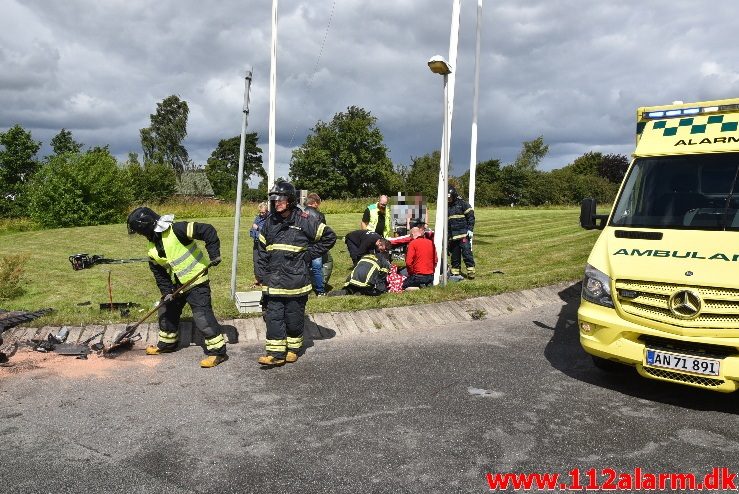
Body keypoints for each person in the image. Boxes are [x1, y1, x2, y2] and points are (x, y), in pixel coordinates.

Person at [126, 206, 227, 368]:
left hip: (197, 281)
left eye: (139, 231)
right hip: (176, 286)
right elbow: (159, 273)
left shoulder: (178, 229)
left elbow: (208, 230)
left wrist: (214, 254)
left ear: (144, 226)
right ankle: (168, 344)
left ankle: (218, 352)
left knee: (202, 317)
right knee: (166, 310)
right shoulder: (152, 248)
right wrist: (167, 292)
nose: (139, 234)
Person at [255, 181, 336, 366]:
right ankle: (275, 354)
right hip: (274, 280)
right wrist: (260, 274)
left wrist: (308, 256)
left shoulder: (305, 219)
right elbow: (260, 249)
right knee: (274, 316)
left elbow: (329, 237)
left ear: (290, 200)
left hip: (296, 281)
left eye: (280, 199)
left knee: (294, 317)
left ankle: (293, 349)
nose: (277, 203)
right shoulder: (269, 222)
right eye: (274, 200)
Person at [447, 185, 476, 279]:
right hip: (453, 237)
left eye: (450, 198)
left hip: (464, 235)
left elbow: (471, 217)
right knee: (455, 256)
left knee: (467, 254)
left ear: (454, 196)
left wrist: (470, 229)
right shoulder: (447, 207)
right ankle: (455, 272)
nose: (449, 200)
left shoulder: (463, 204)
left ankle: (471, 272)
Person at [304, 193, 328, 296]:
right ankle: (320, 291)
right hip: (316, 245)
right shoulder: (320, 215)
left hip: (303, 244)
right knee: (317, 268)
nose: (318, 206)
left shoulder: (299, 213)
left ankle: (303, 289)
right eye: (318, 203)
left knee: (302, 267)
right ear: (314, 203)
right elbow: (323, 231)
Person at [249, 202, 269, 286]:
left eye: (263, 212)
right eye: (260, 212)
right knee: (256, 260)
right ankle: (258, 278)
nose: (261, 214)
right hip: (256, 241)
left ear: (267, 211)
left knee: (263, 260)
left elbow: (268, 230)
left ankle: (264, 279)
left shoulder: (269, 219)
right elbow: (252, 228)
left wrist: (258, 228)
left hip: (264, 243)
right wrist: (253, 232)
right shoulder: (258, 218)